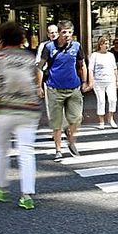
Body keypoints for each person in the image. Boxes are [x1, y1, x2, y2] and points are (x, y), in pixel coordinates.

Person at [0, 22, 42, 210]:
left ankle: (1, 186)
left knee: (1, 148)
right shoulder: (29, 58)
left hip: (3, 109)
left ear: (2, 37)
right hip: (28, 109)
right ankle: (27, 195)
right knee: (27, 151)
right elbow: (38, 76)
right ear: (21, 38)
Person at [38, 20, 87, 160]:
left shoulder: (76, 46)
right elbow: (40, 67)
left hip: (73, 88)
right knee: (56, 121)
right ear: (58, 33)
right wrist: (39, 86)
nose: (67, 35)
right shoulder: (49, 47)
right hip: (54, 88)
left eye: (70, 32)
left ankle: (71, 139)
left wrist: (85, 82)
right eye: (64, 32)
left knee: (77, 118)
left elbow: (82, 65)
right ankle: (58, 149)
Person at [89, 36, 118, 129]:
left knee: (112, 99)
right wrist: (91, 81)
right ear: (100, 44)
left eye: (108, 43)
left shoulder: (111, 55)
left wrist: (117, 80)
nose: (107, 46)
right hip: (98, 81)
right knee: (101, 101)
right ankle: (101, 121)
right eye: (105, 43)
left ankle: (111, 118)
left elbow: (115, 68)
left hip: (110, 80)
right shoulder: (94, 55)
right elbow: (90, 69)